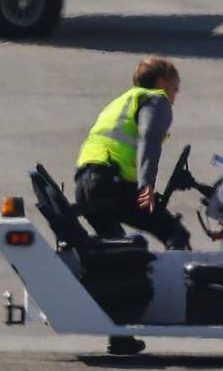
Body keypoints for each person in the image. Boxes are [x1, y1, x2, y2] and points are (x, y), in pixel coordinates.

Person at [74, 56, 180, 239]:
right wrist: (147, 185)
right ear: (162, 82)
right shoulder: (155, 99)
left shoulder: (121, 102)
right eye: (175, 88)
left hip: (85, 186)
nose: (174, 97)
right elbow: (149, 139)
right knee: (174, 232)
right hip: (109, 184)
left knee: (117, 245)